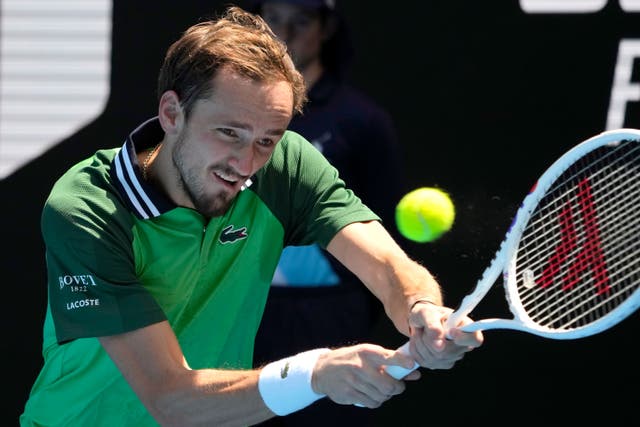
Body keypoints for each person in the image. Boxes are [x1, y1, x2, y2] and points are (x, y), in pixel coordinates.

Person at [19, 6, 483, 427]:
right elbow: (170, 399)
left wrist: (421, 307)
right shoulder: (89, 208)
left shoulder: (284, 166)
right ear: (171, 112)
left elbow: (386, 266)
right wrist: (315, 374)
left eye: (268, 138)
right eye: (229, 133)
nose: (247, 162)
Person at [248, 1, 406, 424]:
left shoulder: (362, 120)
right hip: (245, 309)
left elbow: (384, 228)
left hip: (331, 317)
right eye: (275, 19)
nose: (285, 33)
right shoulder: (233, 112)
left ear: (326, 27)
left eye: (301, 21)